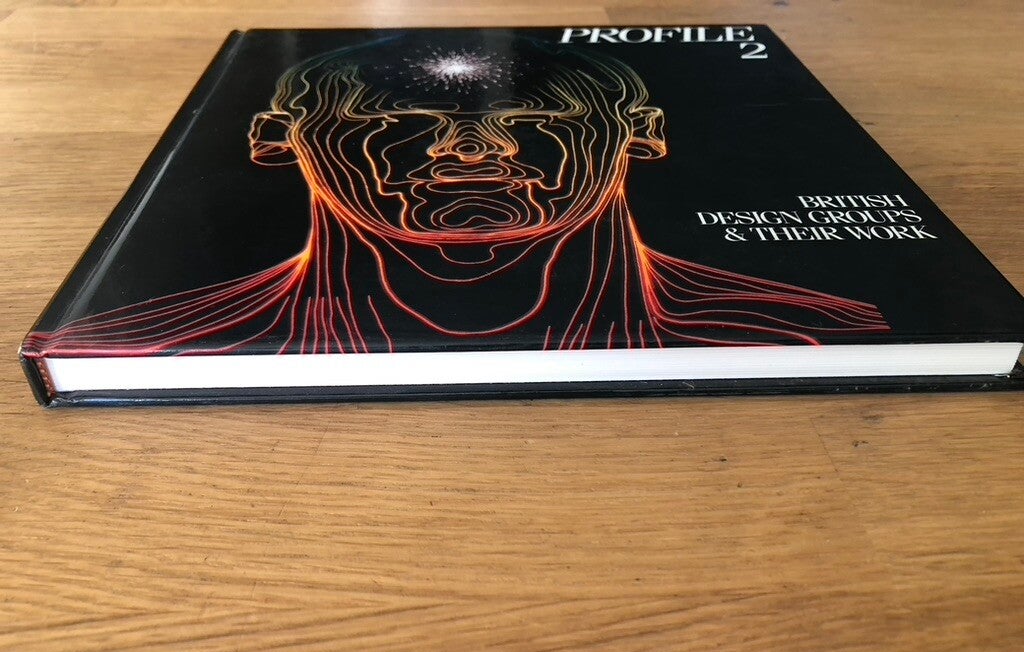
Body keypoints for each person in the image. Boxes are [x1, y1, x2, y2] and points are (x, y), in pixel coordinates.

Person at [26, 33, 888, 356]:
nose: (473, 148)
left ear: (643, 131)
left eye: (536, 116)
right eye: (399, 117)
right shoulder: (146, 348)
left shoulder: (817, 339)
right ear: (276, 139)